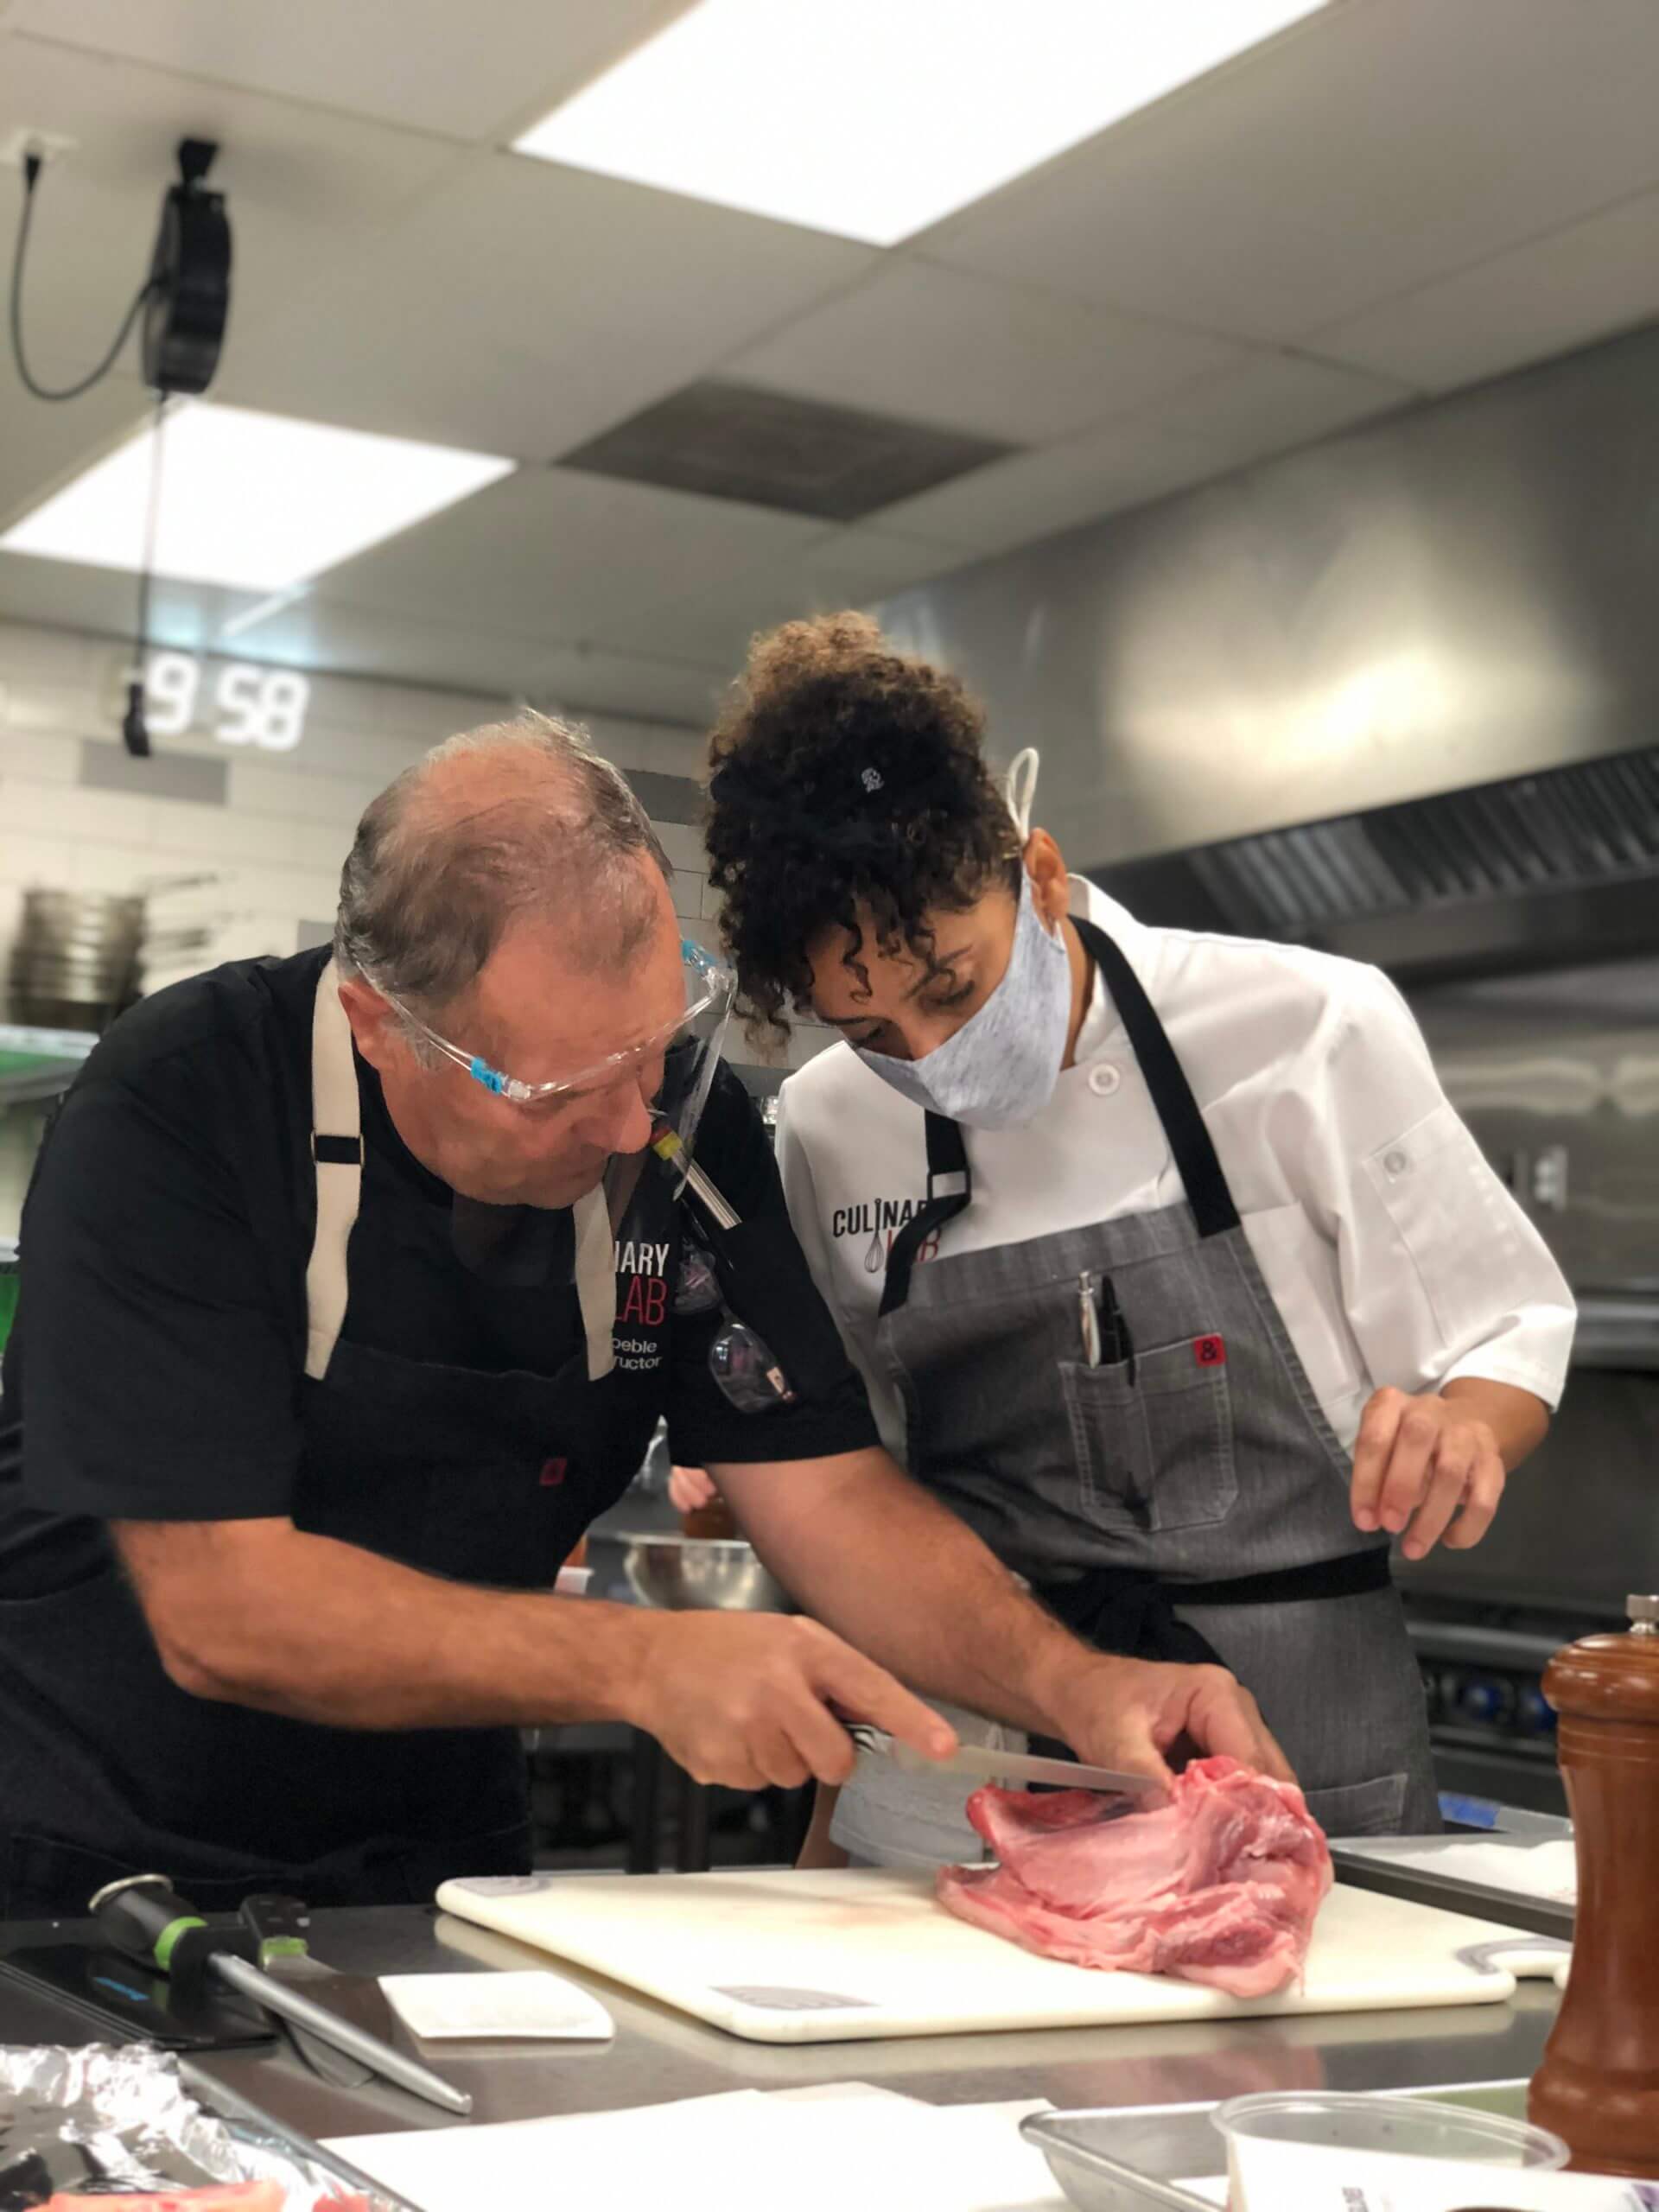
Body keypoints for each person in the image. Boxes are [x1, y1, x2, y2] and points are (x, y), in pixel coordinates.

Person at [0, 715, 1284, 1917]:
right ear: (379, 1025)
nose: (629, 1128)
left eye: (655, 1055)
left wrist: (1081, 1684)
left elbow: (823, 1493)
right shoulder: (182, 1108)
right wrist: (638, 1665)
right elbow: (224, 1607)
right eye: (559, 1089)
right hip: (99, 1866)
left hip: (441, 1873)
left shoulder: (680, 1125)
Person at [700, 614, 1577, 1863]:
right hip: (979, 1761)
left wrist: (1461, 1426)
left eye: (950, 985)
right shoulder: (828, 1127)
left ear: (1039, 874)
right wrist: (843, 1817)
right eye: (871, 1029)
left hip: (1301, 1757)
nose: (929, 1054)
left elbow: (1506, 1326)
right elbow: (849, 1491)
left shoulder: (1302, 1028)